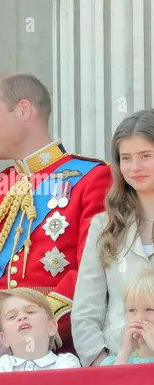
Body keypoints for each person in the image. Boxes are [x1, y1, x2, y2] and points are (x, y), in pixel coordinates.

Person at [0, 72, 112, 359]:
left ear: (25, 110)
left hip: (65, 349)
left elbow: (93, 268)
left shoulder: (91, 178)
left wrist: (42, 329)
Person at [72, 109, 154, 366]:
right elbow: (86, 311)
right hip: (119, 365)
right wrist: (102, 364)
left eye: (145, 156)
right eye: (126, 158)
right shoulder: (104, 225)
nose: (135, 167)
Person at [0, 287, 81, 372]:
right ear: (4, 338)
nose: (22, 317)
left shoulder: (66, 363)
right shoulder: (1, 366)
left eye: (30, 312)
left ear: (51, 327)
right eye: (12, 317)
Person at [99, 267, 154, 366]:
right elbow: (113, 380)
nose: (139, 319)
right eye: (132, 310)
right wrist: (125, 352)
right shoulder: (118, 361)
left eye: (149, 309)